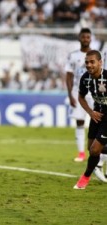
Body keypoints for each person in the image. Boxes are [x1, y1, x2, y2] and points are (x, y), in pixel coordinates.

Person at [73, 50, 107, 189]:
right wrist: (90, 112)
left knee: (94, 150)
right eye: (87, 62)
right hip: (96, 113)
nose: (89, 65)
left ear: (100, 62)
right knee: (91, 149)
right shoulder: (85, 78)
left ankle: (85, 178)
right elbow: (81, 97)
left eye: (92, 62)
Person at [65, 28, 93, 163]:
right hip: (78, 92)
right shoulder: (73, 55)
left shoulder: (97, 55)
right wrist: (70, 95)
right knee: (80, 122)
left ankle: (97, 151)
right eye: (83, 37)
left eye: (88, 37)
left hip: (94, 93)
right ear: (79, 38)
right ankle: (81, 153)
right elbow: (69, 76)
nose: (85, 39)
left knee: (99, 121)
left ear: (91, 38)